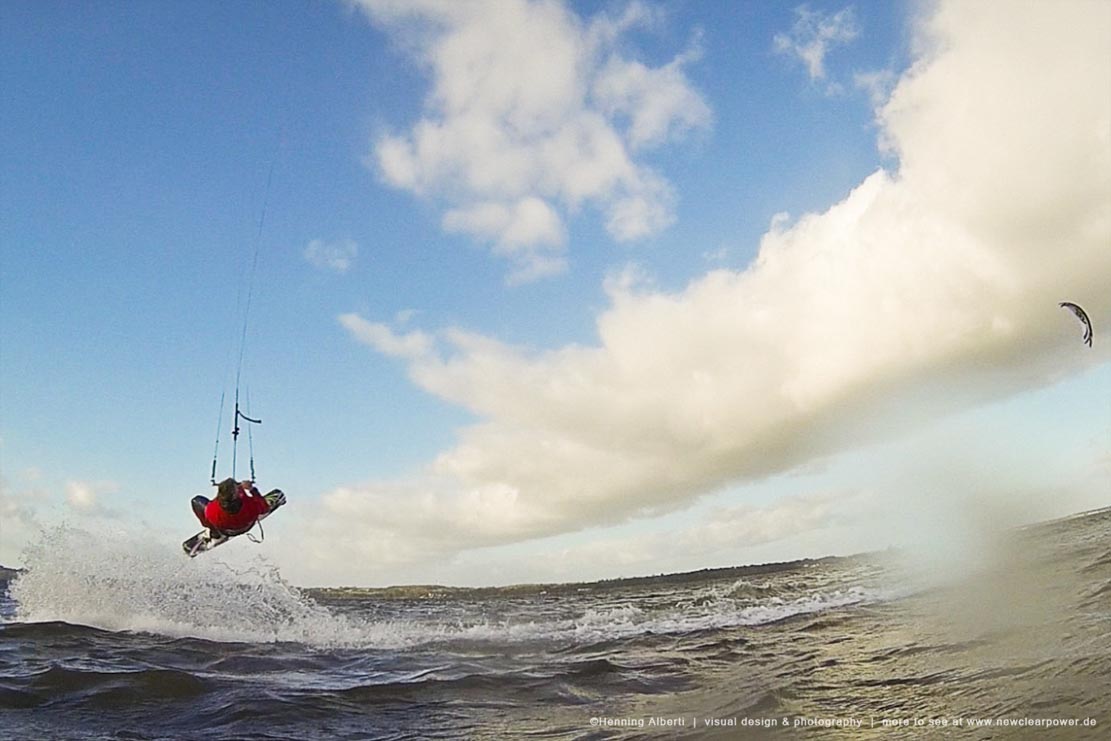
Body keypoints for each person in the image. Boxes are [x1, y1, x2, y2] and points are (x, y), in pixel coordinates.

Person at [191, 478, 285, 539]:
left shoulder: (212, 510)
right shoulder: (249, 504)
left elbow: (220, 501)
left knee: (196, 500)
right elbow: (265, 508)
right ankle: (215, 530)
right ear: (237, 495)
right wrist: (251, 489)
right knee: (274, 495)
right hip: (246, 526)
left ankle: (214, 532)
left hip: (225, 530)